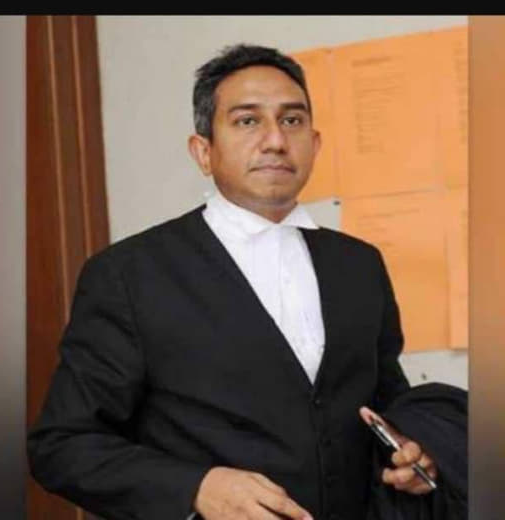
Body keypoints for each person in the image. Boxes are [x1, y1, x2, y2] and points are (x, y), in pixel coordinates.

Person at [28, 44, 436, 520]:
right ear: (203, 152)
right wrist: (195, 489)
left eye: (292, 120)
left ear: (315, 143)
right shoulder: (129, 274)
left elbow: (386, 404)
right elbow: (62, 444)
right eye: (247, 121)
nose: (275, 140)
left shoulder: (359, 265)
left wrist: (412, 450)